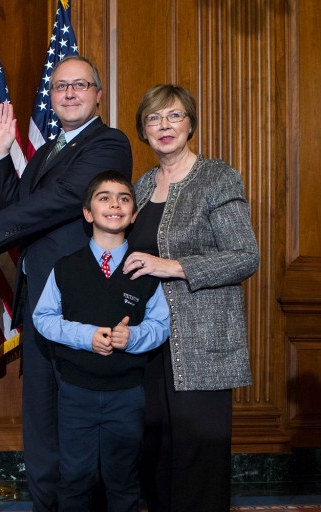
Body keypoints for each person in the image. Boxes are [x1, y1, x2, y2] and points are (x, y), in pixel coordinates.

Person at [0, 55, 133, 511]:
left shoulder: (109, 143)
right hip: (40, 302)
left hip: (83, 304)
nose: (69, 93)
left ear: (97, 94)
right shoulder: (47, 151)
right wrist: (1, 154)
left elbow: (64, 199)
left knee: (80, 422)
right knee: (41, 419)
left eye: (80, 85)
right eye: (61, 86)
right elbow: (18, 208)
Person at [123, 84, 259, 512]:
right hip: (147, 343)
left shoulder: (217, 177)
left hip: (201, 342)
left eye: (174, 116)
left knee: (197, 458)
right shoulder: (142, 185)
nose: (164, 126)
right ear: (143, 130)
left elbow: (245, 256)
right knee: (155, 452)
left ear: (191, 124)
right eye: (153, 118)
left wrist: (174, 266)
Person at [32, 171, 169, 512]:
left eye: (124, 199)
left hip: (128, 395)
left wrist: (133, 337)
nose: (114, 204)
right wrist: (85, 336)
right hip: (76, 392)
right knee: (75, 477)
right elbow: (43, 318)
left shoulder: (144, 270)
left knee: (123, 481)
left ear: (133, 215)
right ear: (88, 212)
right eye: (104, 197)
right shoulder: (65, 268)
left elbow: (160, 324)